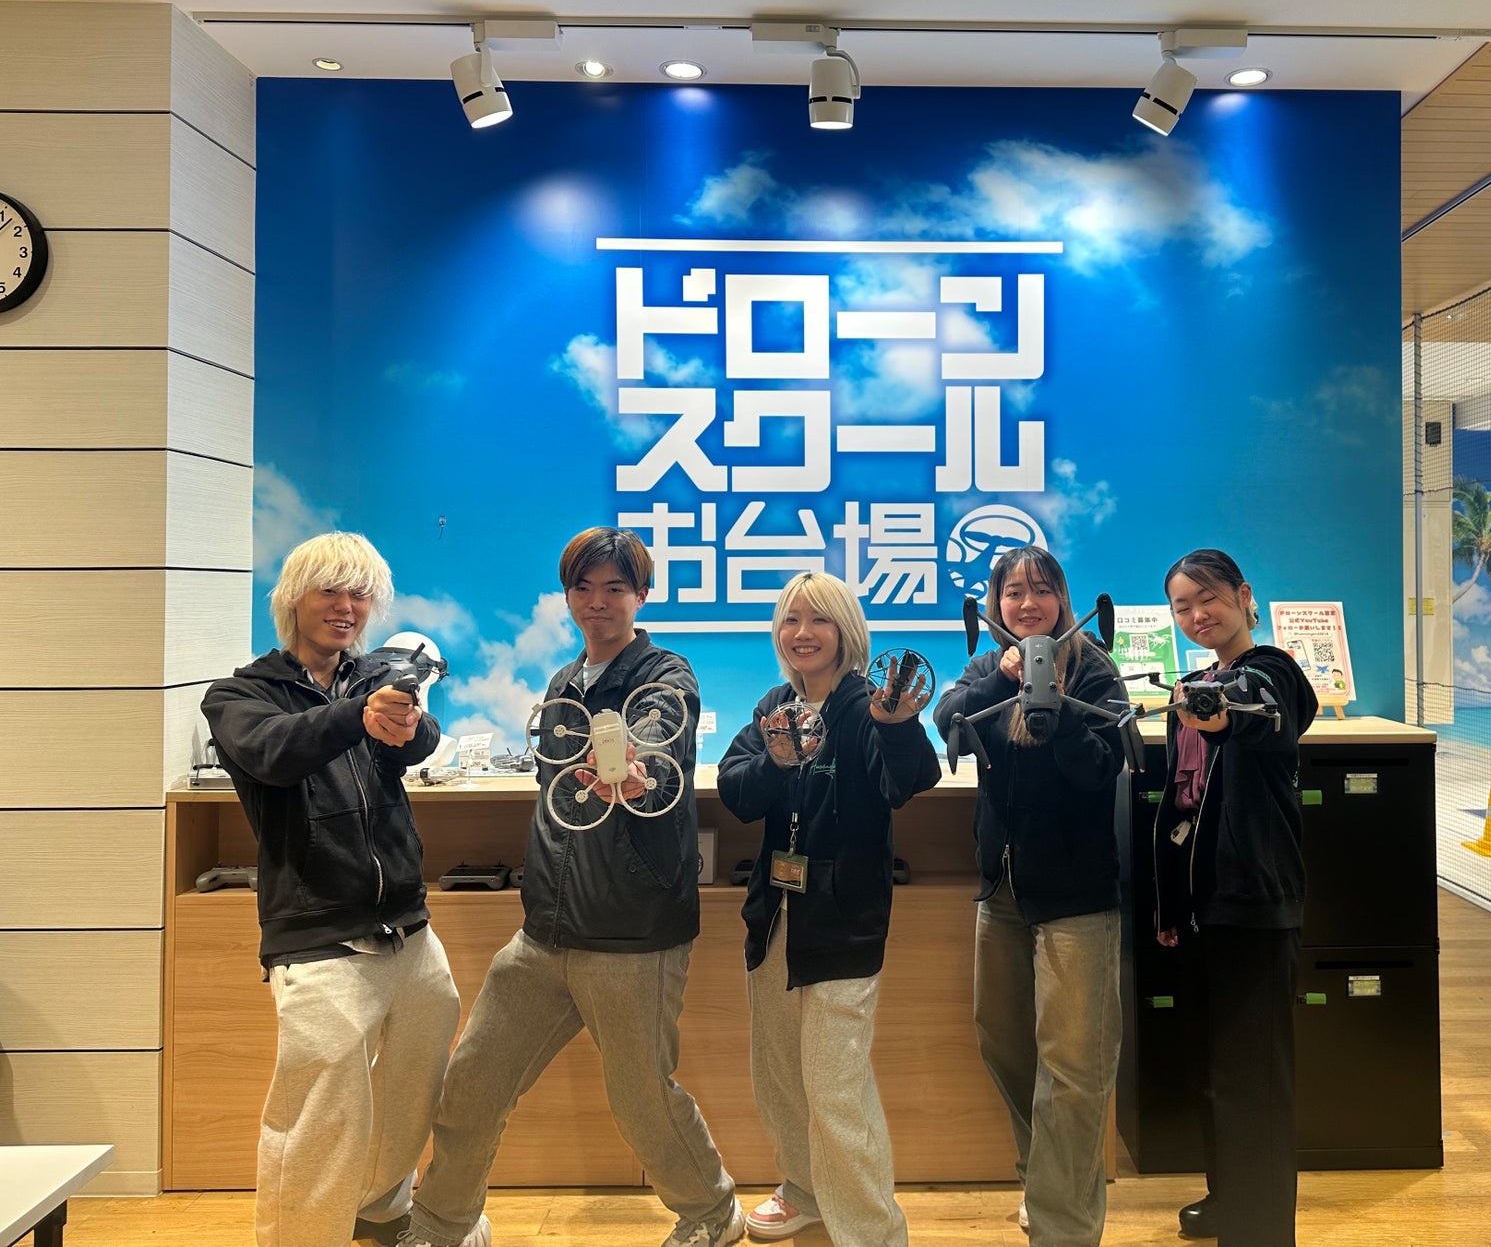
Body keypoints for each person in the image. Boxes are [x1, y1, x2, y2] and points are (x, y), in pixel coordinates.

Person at [399, 528, 744, 1247]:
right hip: (544, 933)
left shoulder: (666, 675)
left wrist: (636, 770)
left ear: (641, 594)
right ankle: (442, 1224)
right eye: (583, 588)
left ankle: (714, 1215)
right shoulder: (563, 683)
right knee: (473, 1083)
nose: (598, 602)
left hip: (631, 934)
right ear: (567, 597)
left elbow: (658, 736)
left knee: (643, 1102)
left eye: (615, 588)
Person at [201, 531, 461, 1247]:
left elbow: (418, 741)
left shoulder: (372, 677)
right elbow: (275, 753)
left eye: (360, 594)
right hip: (317, 936)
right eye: (331, 590)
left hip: (408, 928)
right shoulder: (240, 695)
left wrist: (408, 718)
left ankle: (381, 1212)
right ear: (294, 598)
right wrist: (358, 713)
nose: (347, 606)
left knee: (414, 1090)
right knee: (318, 1117)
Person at [717, 572, 940, 1246]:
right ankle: (806, 1190)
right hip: (775, 919)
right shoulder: (774, 705)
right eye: (791, 620)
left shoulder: (868, 705)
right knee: (781, 1079)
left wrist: (898, 726)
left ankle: (873, 1232)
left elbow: (908, 780)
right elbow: (737, 791)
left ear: (847, 632)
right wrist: (777, 761)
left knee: (836, 1088)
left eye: (819, 620)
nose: (803, 633)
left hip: (843, 922)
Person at [932, 546, 1128, 1246]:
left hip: (1077, 897)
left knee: (1074, 1066)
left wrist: (1056, 706)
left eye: (1040, 590)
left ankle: (1061, 1225)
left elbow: (1102, 768)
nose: (1026, 603)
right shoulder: (987, 666)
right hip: (1002, 891)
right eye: (1013, 592)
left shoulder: (1095, 669)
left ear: (1062, 600)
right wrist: (1007, 680)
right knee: (1005, 1044)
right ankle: (1045, 1176)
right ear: (995, 606)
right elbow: (948, 721)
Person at [1153, 549, 1318, 1246]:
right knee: (1214, 1071)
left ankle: (1261, 1231)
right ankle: (1229, 1199)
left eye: (1210, 598)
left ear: (1244, 596)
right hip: (1200, 908)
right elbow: (1180, 805)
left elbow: (1265, 709)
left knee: (1256, 1080)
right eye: (1183, 606)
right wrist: (1170, 907)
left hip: (1253, 902)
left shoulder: (1272, 671)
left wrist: (1220, 713)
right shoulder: (1193, 685)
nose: (1198, 615)